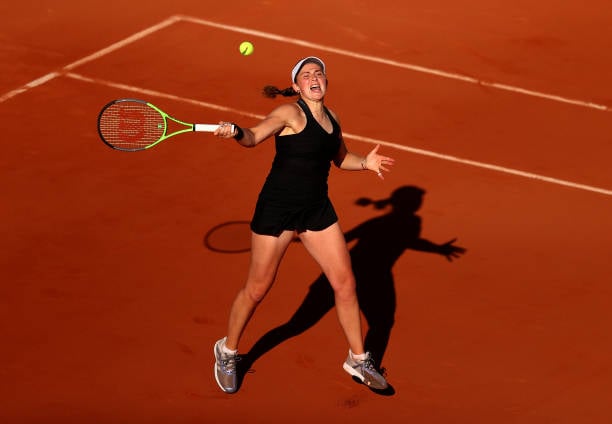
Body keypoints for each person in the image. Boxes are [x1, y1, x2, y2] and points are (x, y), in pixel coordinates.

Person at [212, 56, 395, 394]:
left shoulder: (332, 119)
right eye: (306, 75)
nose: (314, 78)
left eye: (319, 73)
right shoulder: (289, 114)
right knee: (257, 289)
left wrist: (365, 163)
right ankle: (227, 351)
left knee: (345, 283)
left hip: (316, 211)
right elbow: (252, 137)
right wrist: (235, 131)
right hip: (277, 212)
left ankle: (358, 358)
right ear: (296, 86)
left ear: (326, 82)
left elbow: (340, 158)